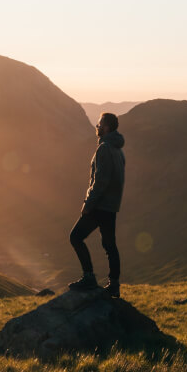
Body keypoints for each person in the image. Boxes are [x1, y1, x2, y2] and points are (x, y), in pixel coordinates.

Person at [68, 112, 125, 297]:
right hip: (111, 207)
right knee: (110, 245)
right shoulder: (118, 150)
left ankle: (89, 277)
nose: (97, 127)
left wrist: (88, 204)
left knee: (76, 237)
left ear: (106, 127)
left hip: (99, 205)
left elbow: (100, 181)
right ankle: (114, 284)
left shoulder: (104, 148)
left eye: (99, 124)